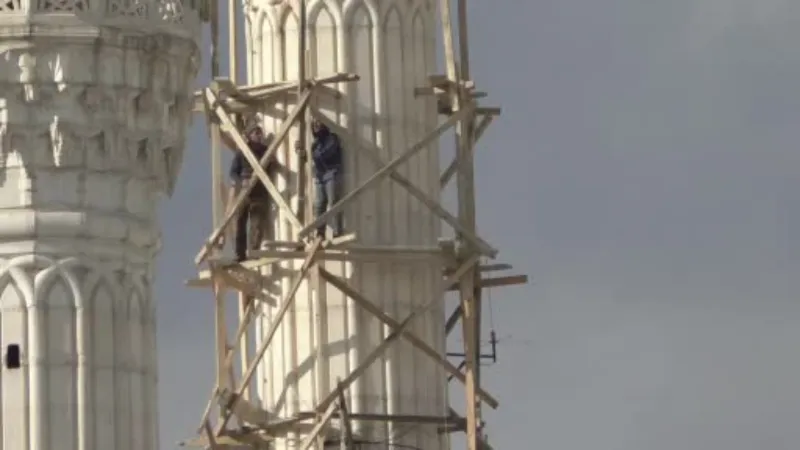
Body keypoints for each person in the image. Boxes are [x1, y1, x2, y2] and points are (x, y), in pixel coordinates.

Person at [226, 122, 275, 262]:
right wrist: (242, 182)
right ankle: (239, 253)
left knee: (256, 224)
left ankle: (253, 252)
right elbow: (233, 172)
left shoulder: (265, 151)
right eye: (256, 133)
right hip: (245, 192)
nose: (259, 135)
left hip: (259, 192)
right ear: (249, 135)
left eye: (260, 133)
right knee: (240, 222)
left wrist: (271, 163)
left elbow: (270, 170)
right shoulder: (243, 152)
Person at [296, 119, 345, 239]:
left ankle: (337, 230)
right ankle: (320, 232)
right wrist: (300, 152)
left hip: (332, 173)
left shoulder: (332, 138)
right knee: (319, 205)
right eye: (314, 125)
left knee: (333, 202)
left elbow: (326, 154)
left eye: (319, 124)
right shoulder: (315, 144)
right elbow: (309, 158)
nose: (316, 127)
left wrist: (309, 154)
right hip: (320, 176)